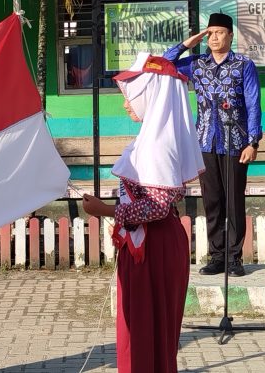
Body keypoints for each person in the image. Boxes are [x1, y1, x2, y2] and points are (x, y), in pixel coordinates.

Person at [82, 53, 204, 373]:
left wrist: (105, 210)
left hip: (155, 247)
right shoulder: (154, 138)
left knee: (146, 330)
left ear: (151, 94)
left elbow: (157, 205)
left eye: (130, 94)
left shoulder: (156, 145)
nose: (125, 103)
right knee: (145, 329)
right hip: (150, 246)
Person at [163, 12, 262, 277]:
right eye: (210, 33)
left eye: (219, 32)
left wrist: (253, 141)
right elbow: (161, 64)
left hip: (236, 142)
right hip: (205, 142)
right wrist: (187, 44)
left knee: (233, 200)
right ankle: (217, 256)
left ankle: (234, 258)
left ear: (230, 35)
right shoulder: (197, 64)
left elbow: (253, 103)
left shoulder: (243, 65)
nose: (214, 37)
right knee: (212, 201)